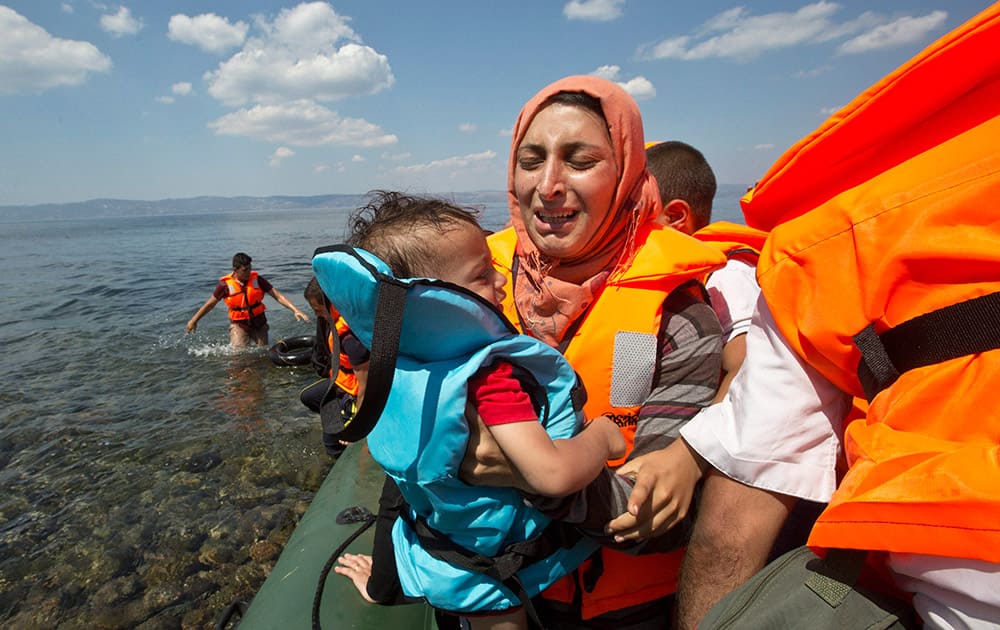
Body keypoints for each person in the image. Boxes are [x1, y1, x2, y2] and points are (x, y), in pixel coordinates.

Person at [613, 6, 1000, 628]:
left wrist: (686, 450)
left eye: (626, 209)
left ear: (675, 216)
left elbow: (747, 453)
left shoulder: (765, 272)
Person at [462, 75, 728, 628]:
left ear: (628, 172)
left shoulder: (680, 316)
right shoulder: (468, 288)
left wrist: (532, 472)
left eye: (579, 160)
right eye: (531, 160)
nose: (548, 184)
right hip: (485, 588)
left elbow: (652, 520)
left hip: (624, 606)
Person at [315, 190, 644, 629]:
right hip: (491, 571)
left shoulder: (399, 367)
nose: (502, 282)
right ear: (431, 302)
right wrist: (604, 435)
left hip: (440, 546)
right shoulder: (490, 378)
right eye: (483, 276)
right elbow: (552, 475)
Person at [646, 140, 766, 402]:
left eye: (637, 211)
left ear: (676, 216)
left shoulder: (726, 276)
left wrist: (691, 441)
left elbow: (746, 369)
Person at [299, 277, 369, 458]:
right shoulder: (337, 319)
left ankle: (343, 461)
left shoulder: (349, 335)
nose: (316, 315)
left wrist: (358, 428)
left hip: (353, 394)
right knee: (309, 397)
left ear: (331, 302)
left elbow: (366, 385)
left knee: (331, 443)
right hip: (340, 383)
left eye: (317, 309)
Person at [186, 252, 309, 347]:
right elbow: (209, 305)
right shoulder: (224, 286)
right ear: (235, 270)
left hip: (259, 323)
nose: (249, 272)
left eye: (250, 268)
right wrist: (194, 320)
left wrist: (295, 310)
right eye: (245, 270)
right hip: (239, 325)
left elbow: (277, 296)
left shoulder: (258, 280)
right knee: (238, 356)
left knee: (262, 353)